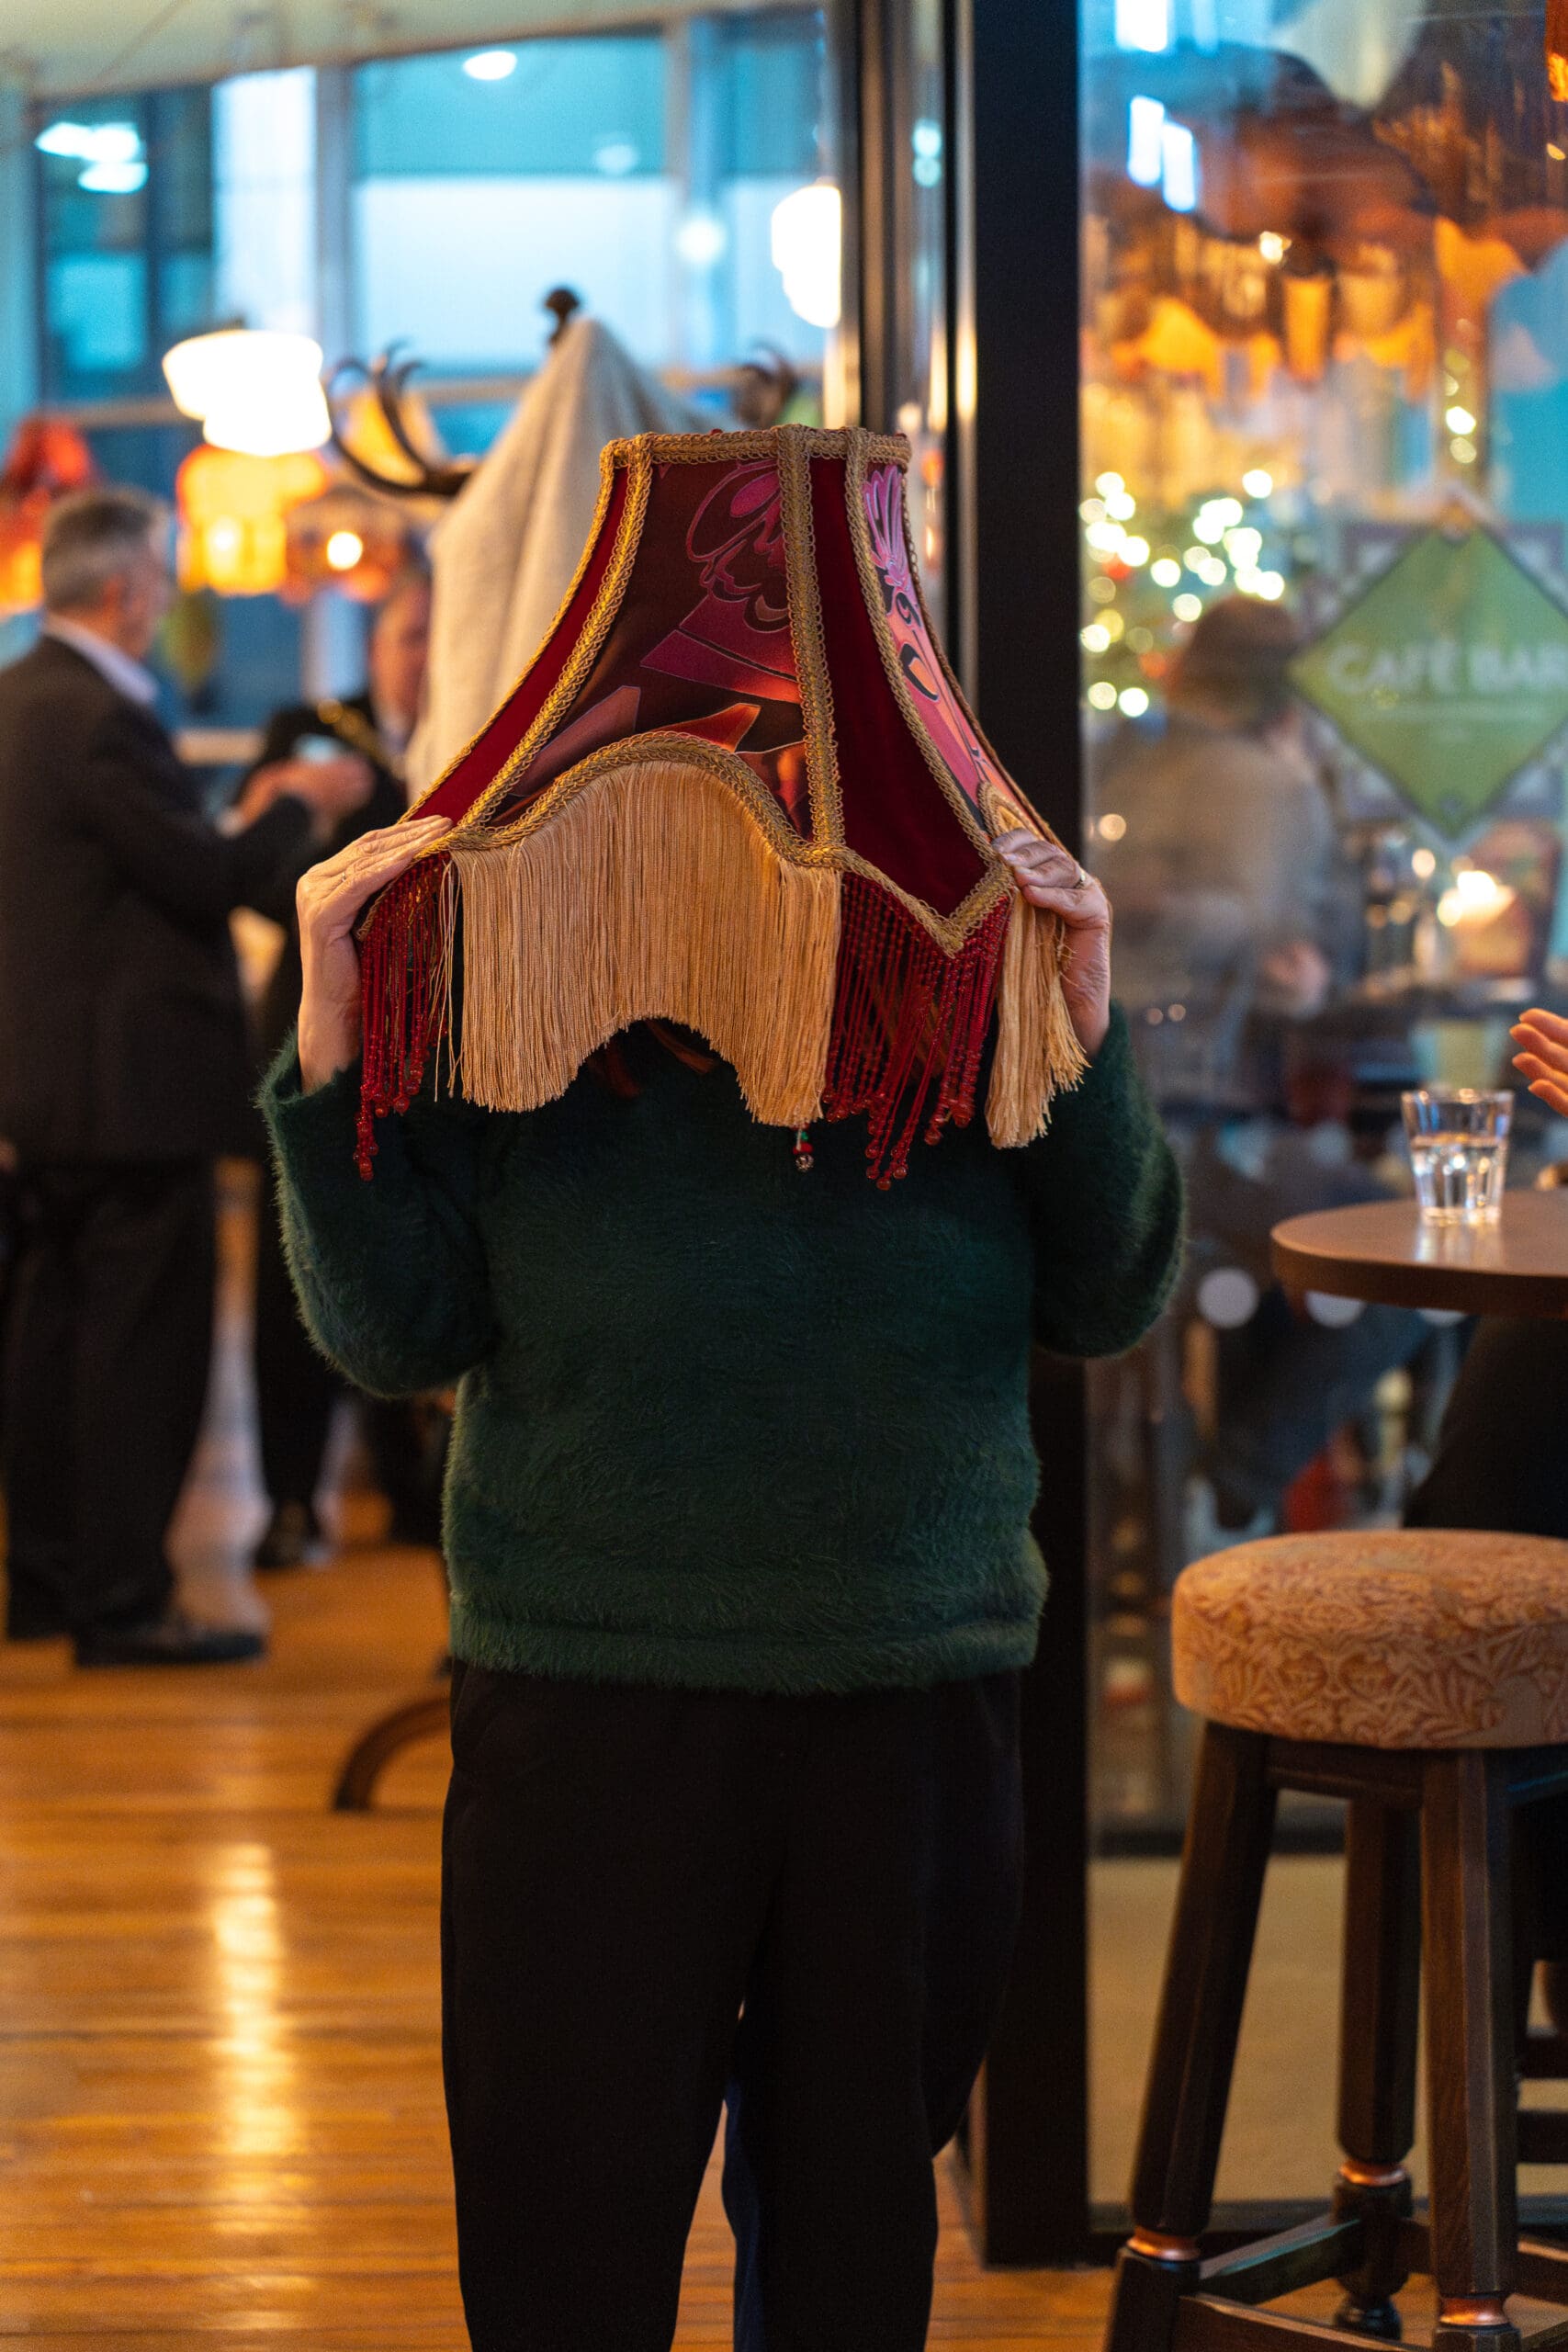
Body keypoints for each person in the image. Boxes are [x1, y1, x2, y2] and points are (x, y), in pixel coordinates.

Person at [261, 806, 1180, 2349]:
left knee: (853, 2236)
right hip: (595, 1678)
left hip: (903, 1668)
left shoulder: (940, 960)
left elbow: (1105, 1292)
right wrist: (335, 1021)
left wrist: (1080, 1016)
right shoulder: (531, 966)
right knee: (567, 2228)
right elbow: (394, 1334)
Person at [0, 486, 369, 1663]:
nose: (165, 597)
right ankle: (122, 1603)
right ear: (128, 590)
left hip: (45, 1087)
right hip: (126, 1095)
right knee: (137, 1353)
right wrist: (293, 807)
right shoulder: (95, 713)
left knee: (50, 1338)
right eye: (161, 577)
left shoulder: (16, 701)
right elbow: (199, 881)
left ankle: (47, 1583)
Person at [1093, 595, 1422, 1536]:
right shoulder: (1264, 787)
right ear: (1291, 696)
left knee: (1308, 1244)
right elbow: (1292, 972)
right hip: (1194, 1133)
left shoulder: (1117, 754)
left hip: (1114, 1116)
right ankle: (1234, 1487)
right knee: (1400, 1245)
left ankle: (1184, 1490)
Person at [246, 569, 443, 1570]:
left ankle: (410, 1486)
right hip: (312, 1024)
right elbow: (256, 869)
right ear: (374, 647)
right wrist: (295, 803)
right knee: (296, 1268)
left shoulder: (472, 739)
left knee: (401, 1246)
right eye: (408, 633)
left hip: (425, 1036)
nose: (423, 653)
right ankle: (290, 1500)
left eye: (437, 635)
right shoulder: (310, 729)